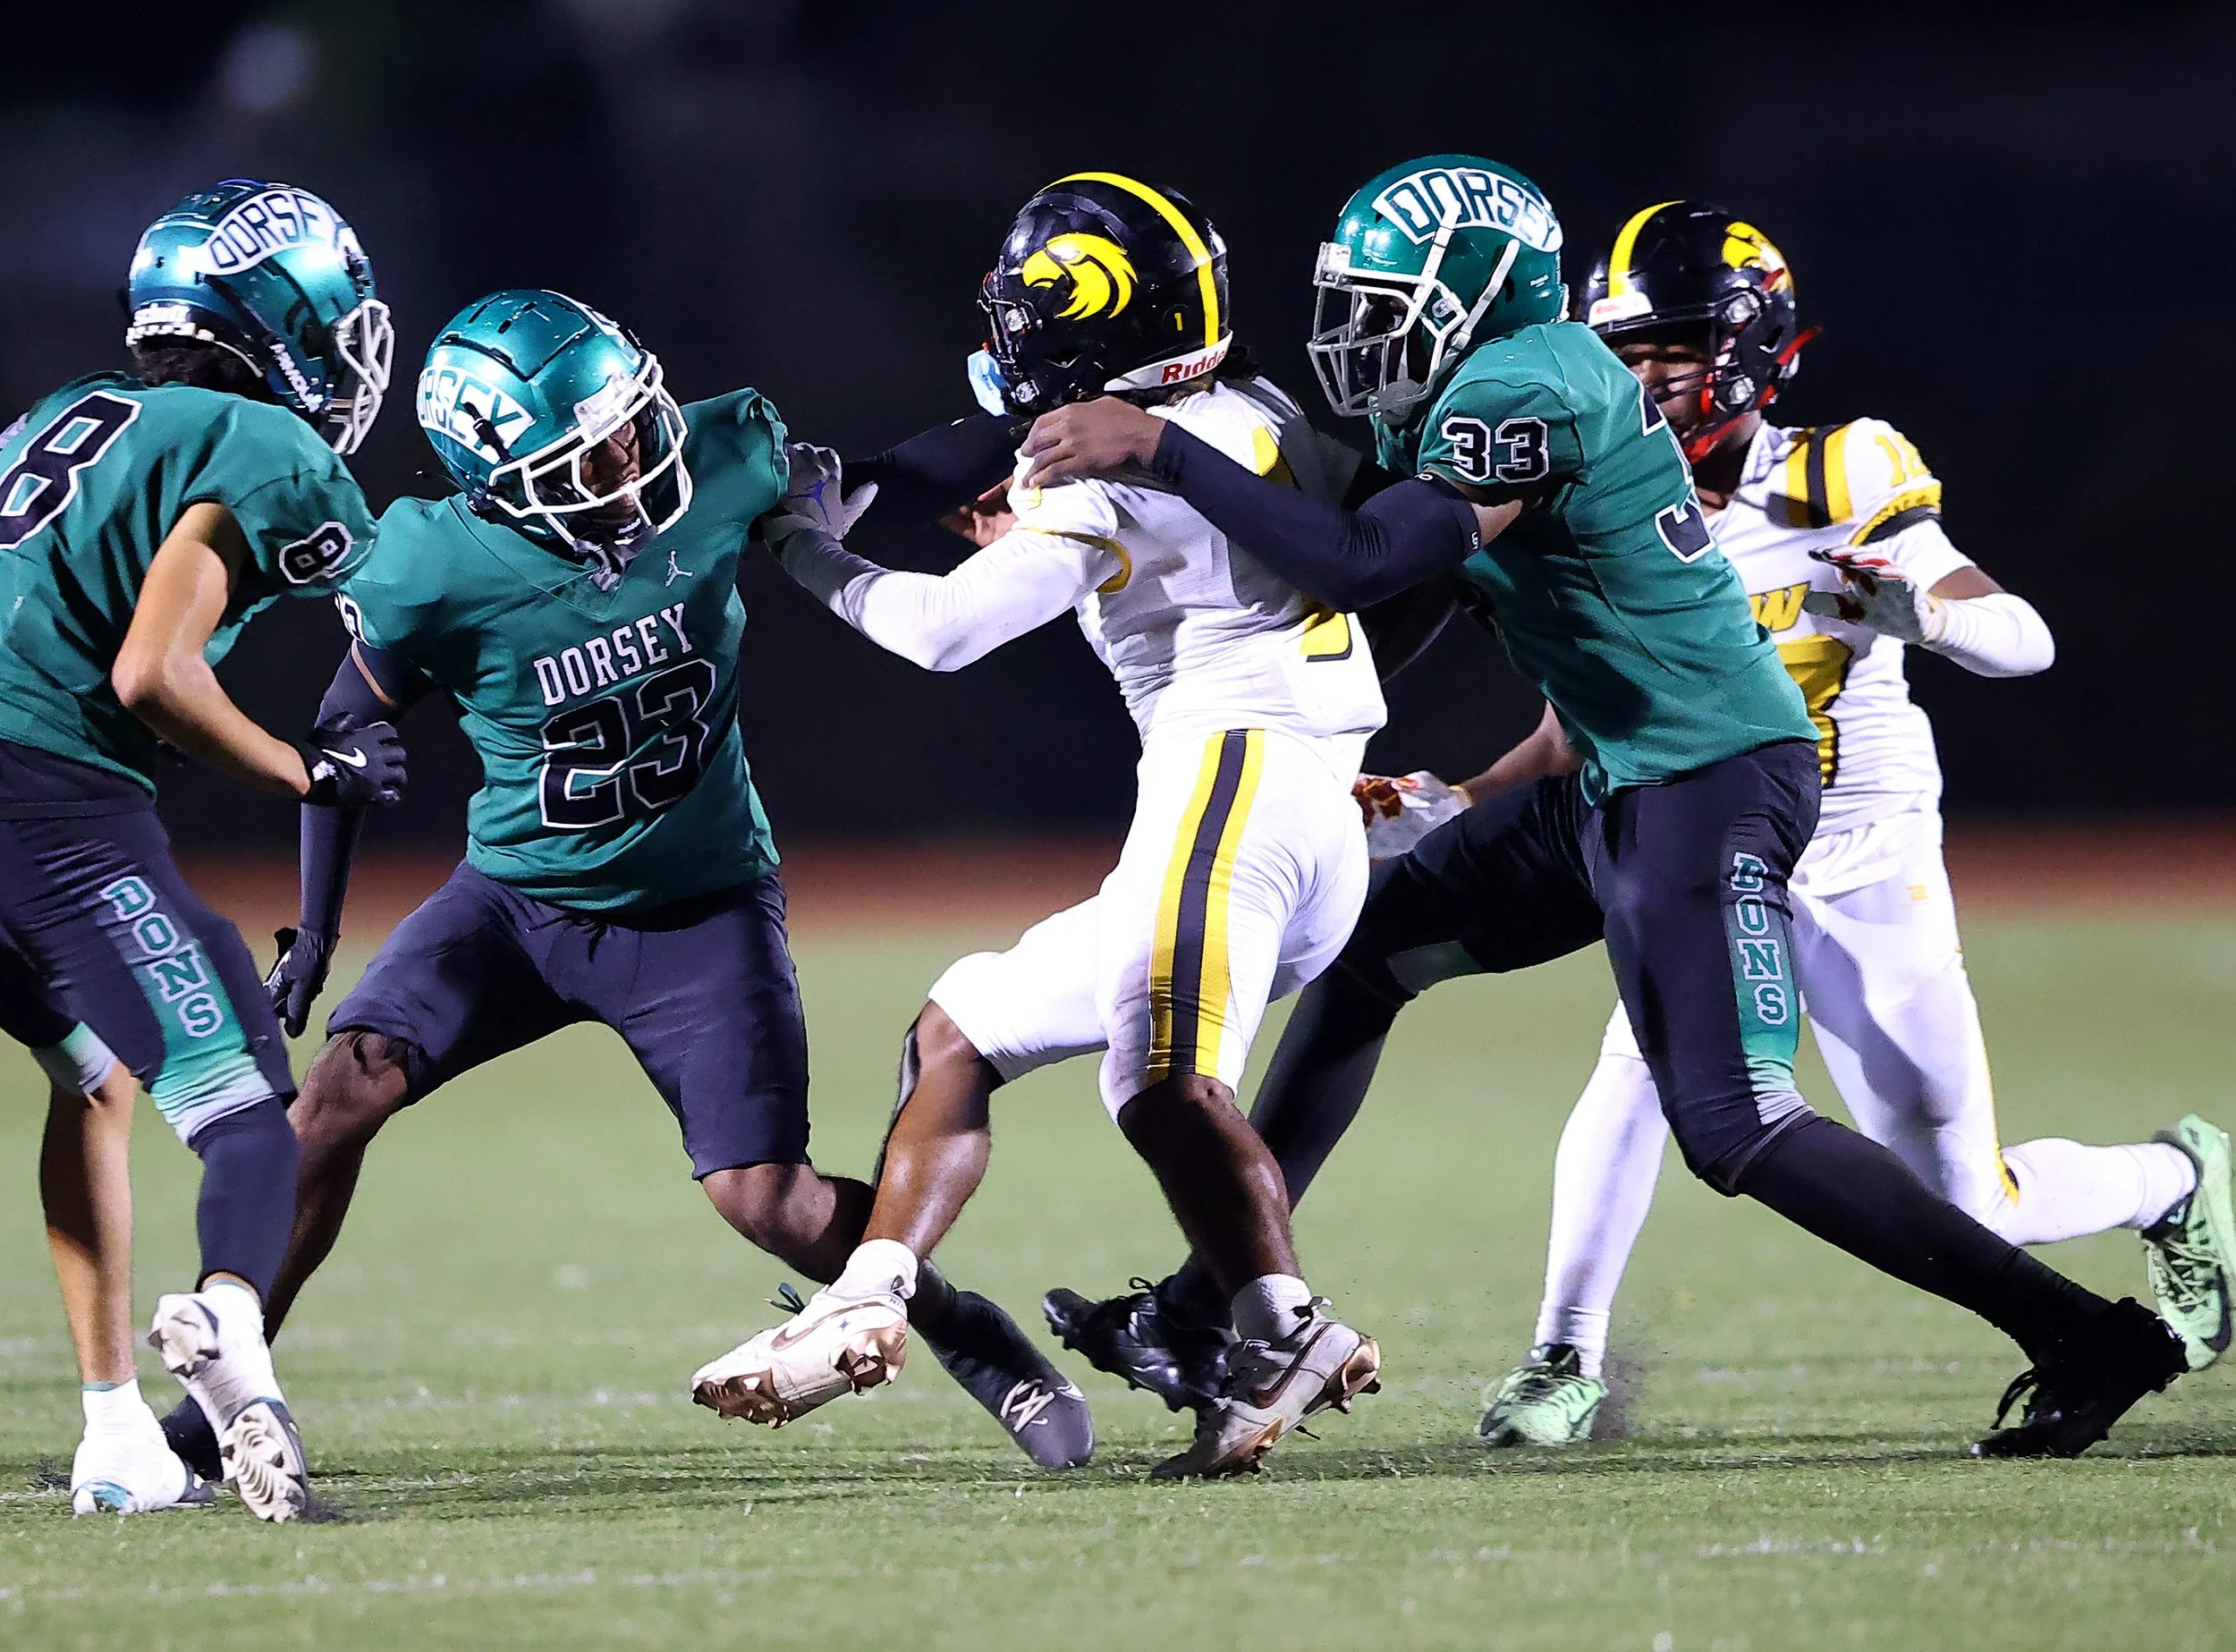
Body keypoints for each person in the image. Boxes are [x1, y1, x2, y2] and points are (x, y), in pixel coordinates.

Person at [1030, 155, 2189, 1459]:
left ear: (1471, 295)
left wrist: (1163, 449)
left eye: (1383, 306)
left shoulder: (1529, 384)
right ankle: (1206, 1309)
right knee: (1366, 957)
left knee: (1734, 1121)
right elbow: (1399, 602)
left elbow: (1364, 566)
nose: (1356, 335)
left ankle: (2087, 1336)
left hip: (1711, 770)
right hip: (1620, 770)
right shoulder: (1469, 390)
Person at [209, 288, 1095, 1480]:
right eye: (595, 454)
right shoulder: (430, 563)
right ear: (498, 479)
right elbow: (340, 731)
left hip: (701, 906)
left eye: (633, 423)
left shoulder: (718, 457)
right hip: (516, 904)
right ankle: (227, 1404)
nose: (634, 461)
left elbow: (887, 478)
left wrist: (1054, 423)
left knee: (768, 1201)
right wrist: (316, 928)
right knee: (334, 1095)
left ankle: (961, 1325)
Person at [690, 173, 1389, 1479]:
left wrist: (801, 543)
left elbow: (943, 631)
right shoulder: (1252, 409)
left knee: (1166, 1079)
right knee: (963, 1024)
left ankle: (1292, 1332)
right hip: (1288, 805)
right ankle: (871, 1293)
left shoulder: (1105, 464)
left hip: (1235, 787)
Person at [0, 178, 404, 1521]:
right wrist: (310, 769)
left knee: (91, 1070)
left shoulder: (60, 413)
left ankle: (120, 1432)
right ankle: (238, 1360)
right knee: (243, 1114)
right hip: (39, 794)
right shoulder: (261, 442)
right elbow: (152, 673)